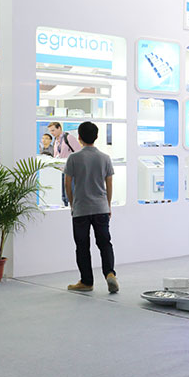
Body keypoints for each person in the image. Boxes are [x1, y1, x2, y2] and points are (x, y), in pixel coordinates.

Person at [63, 122, 118, 294]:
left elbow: (67, 183)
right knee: (105, 243)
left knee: (82, 246)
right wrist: (108, 205)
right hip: (101, 207)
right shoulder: (105, 158)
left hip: (81, 208)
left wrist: (72, 203)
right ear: (97, 137)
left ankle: (86, 282)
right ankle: (110, 273)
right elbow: (109, 184)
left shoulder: (73, 158)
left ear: (79, 137)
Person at [48, 121, 81, 206]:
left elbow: (79, 152)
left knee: (71, 194)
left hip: (72, 171)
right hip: (63, 170)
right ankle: (66, 208)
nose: (52, 133)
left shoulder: (69, 138)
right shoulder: (56, 141)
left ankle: (73, 209)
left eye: (53, 130)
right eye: (50, 131)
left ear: (59, 128)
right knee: (64, 196)